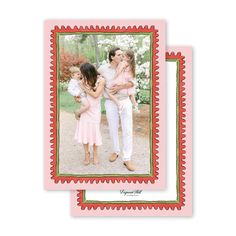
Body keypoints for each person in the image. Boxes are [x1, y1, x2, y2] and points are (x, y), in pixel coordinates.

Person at [98, 47, 135, 171]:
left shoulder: (127, 66)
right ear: (112, 57)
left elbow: (133, 83)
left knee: (127, 129)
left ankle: (127, 158)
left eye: (122, 54)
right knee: (113, 128)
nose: (122, 56)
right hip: (110, 102)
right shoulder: (103, 69)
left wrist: (121, 86)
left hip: (125, 100)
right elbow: (92, 79)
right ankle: (115, 151)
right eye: (119, 54)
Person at [74, 63, 105, 166]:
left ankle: (95, 155)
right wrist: (78, 98)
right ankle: (87, 154)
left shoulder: (101, 80)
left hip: (95, 110)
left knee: (94, 132)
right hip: (86, 110)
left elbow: (96, 95)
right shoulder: (83, 80)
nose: (81, 75)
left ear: (88, 72)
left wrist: (83, 87)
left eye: (83, 73)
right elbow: (81, 95)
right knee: (85, 132)